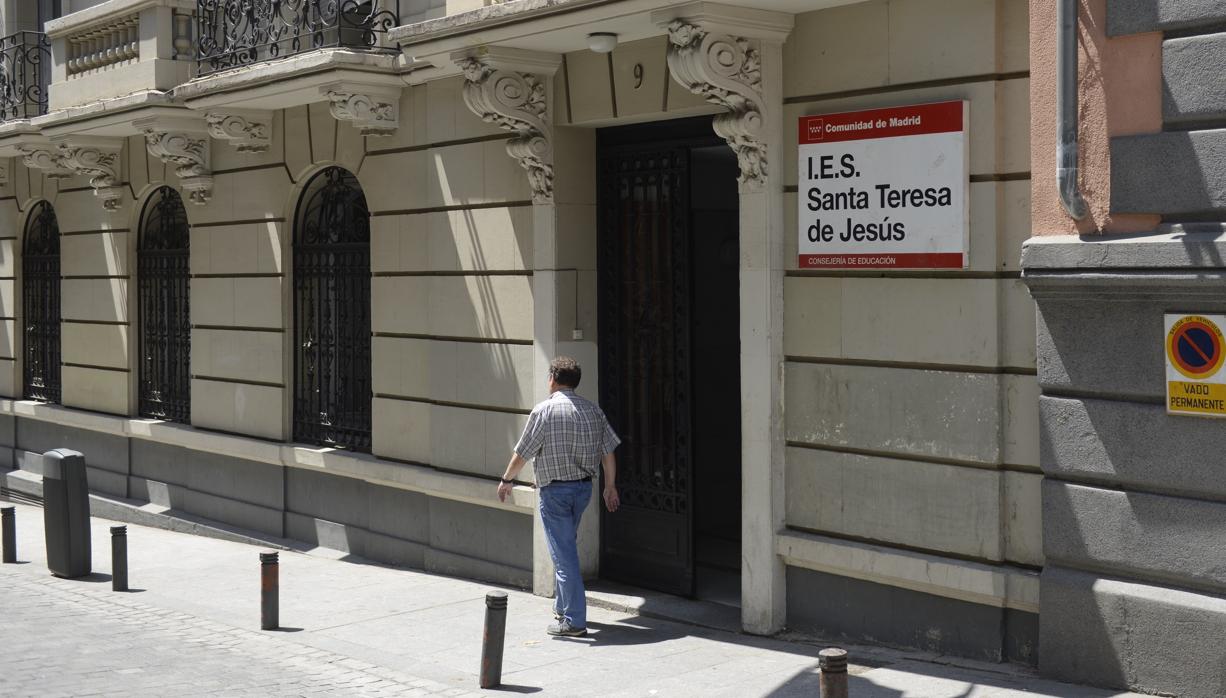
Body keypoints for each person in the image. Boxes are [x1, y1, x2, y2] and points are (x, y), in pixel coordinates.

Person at [497, 356, 620, 637]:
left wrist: (506, 479)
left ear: (553, 378)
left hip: (555, 492)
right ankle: (563, 607)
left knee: (564, 556)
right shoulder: (593, 411)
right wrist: (610, 486)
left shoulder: (544, 411)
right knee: (565, 548)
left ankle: (574, 621)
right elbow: (608, 452)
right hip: (583, 490)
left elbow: (523, 452)